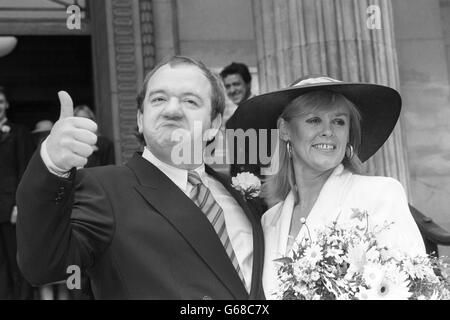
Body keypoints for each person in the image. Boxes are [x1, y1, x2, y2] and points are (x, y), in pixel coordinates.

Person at [16, 56, 265, 299]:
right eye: (158, 99)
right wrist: (52, 165)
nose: (172, 110)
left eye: (190, 101)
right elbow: (43, 264)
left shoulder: (239, 194)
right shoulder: (103, 189)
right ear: (140, 119)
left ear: (215, 122)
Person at [226, 75, 426, 299]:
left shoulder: (380, 194)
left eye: (339, 121)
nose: (328, 131)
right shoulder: (269, 221)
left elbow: (417, 289)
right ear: (284, 129)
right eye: (314, 120)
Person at [0, 86, 34, 299]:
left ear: (7, 105)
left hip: (11, 206)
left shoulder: (19, 132)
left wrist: (19, 205)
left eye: (1, 101)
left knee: (16, 260)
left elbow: (25, 170)